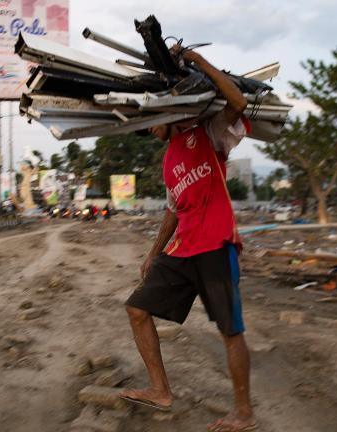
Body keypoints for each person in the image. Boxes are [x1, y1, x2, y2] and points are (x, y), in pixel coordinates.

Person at [120, 46, 257, 432]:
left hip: (216, 244)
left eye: (151, 118)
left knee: (230, 329)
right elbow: (172, 209)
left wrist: (195, 61)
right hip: (182, 248)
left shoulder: (209, 133)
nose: (148, 127)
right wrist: (154, 252)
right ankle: (160, 391)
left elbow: (238, 100)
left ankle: (244, 415)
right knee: (136, 309)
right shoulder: (168, 160)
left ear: (168, 110)